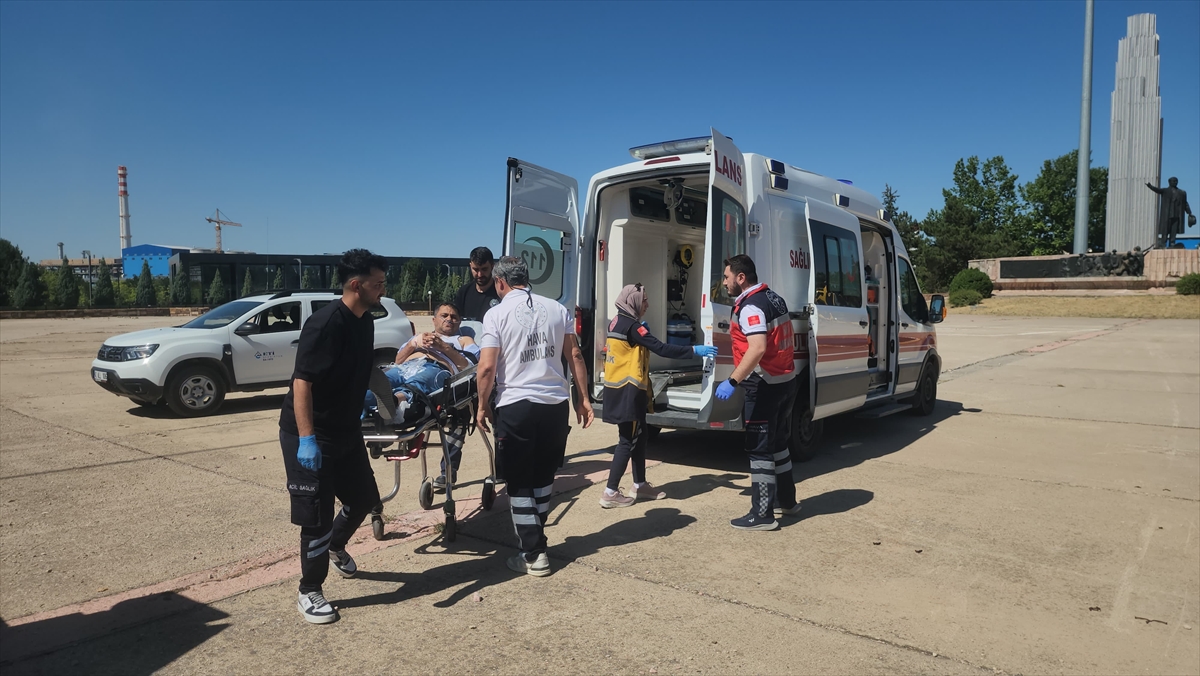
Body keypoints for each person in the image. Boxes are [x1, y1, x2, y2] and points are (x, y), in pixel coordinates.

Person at [279, 248, 389, 624]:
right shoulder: (325, 324)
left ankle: (336, 545)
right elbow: (302, 383)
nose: (382, 290)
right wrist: (307, 438)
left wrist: (386, 403)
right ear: (356, 285)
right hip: (310, 433)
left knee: (364, 499)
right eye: (377, 284)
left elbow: (364, 370)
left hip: (346, 431)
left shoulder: (366, 321)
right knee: (317, 517)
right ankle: (309, 590)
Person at [475, 256, 594, 576]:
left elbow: (486, 367)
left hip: (516, 404)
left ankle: (533, 553)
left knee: (518, 481)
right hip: (554, 405)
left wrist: (482, 404)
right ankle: (536, 541)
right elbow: (575, 354)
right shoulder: (557, 309)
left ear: (500, 282)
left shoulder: (495, 314)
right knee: (543, 476)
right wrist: (583, 398)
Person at [598, 283, 717, 508]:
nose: (647, 304)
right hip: (628, 391)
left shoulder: (618, 320)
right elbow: (662, 348)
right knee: (627, 440)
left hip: (618, 389)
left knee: (640, 435)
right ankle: (610, 492)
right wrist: (694, 350)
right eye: (644, 300)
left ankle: (640, 484)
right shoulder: (633, 327)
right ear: (633, 301)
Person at [714, 254, 799, 531]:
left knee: (759, 449)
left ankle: (762, 515)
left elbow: (758, 347)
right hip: (786, 380)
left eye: (727, 277)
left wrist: (733, 381)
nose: (724, 282)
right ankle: (787, 501)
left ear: (741, 278)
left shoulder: (751, 306)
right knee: (779, 444)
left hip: (764, 385)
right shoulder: (773, 298)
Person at [365, 301, 478, 491]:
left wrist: (444, 348)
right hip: (405, 367)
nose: (449, 319)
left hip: (437, 368)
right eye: (444, 315)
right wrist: (414, 343)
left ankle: (396, 401)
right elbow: (398, 360)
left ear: (459, 322)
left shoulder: (464, 340)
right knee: (381, 381)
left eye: (454, 317)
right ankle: (362, 401)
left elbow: (471, 366)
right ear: (434, 320)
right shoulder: (420, 337)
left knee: (418, 382)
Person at [454, 246, 501, 321]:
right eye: (476, 269)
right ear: (470, 266)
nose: (480, 274)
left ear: (492, 266)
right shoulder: (464, 292)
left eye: (484, 269)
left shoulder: (501, 293)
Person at [1146, 178, 1193, 249]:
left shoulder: (1181, 193)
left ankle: (1172, 243)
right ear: (1169, 182)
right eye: (1173, 181)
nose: (1175, 182)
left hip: (1177, 215)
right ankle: (1163, 243)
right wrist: (1150, 186)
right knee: (1165, 230)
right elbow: (1157, 190)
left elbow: (1185, 204)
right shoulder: (1165, 191)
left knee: (1174, 230)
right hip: (1167, 214)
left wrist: (1189, 212)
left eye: (1176, 181)